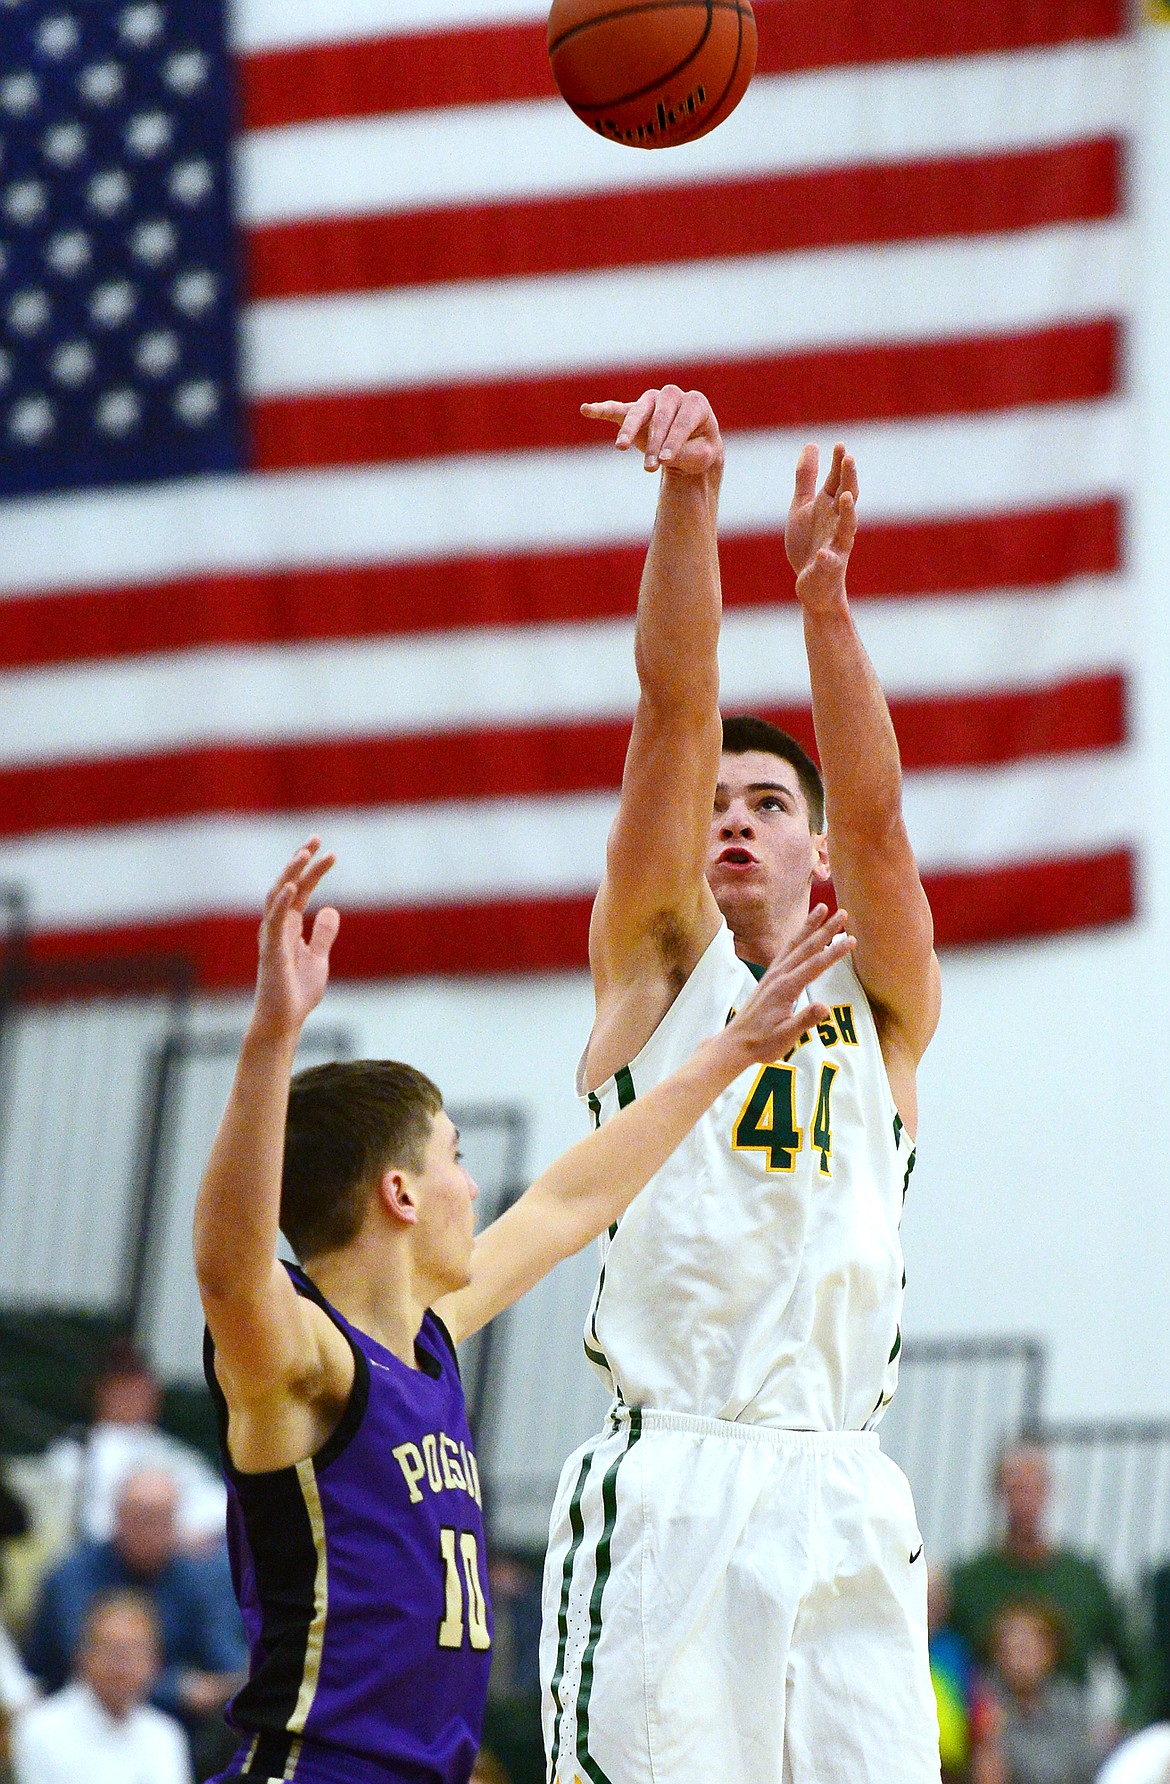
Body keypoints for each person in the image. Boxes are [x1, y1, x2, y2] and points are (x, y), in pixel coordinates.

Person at [193, 839, 856, 1784]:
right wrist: (270, 1042)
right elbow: (226, 1271)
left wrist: (733, 1050)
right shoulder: (307, 1367)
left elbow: (570, 1204)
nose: (474, 1184)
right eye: (452, 1157)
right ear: (401, 1195)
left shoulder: (426, 1339)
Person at [539, 386, 943, 1784]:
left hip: (841, 1483)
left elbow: (880, 818)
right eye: (720, 805)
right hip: (678, 1475)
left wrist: (824, 607)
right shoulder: (656, 967)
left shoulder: (877, 1003)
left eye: (768, 805)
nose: (732, 818)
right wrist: (689, 500)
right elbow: (670, 710)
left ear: (810, 856)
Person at [23, 1465, 245, 1758]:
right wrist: (179, 1689)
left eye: (163, 1519)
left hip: (174, 1730)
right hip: (75, 1720)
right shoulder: (73, 1577)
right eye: (143, 1517)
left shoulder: (191, 1575)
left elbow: (223, 1652)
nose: (153, 1530)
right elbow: (88, 1664)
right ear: (118, 1516)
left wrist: (238, 1679)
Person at [949, 1442, 1136, 1702]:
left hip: (1067, 1728)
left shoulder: (1084, 1580)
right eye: (1015, 1488)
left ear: (1050, 1492)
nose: (1025, 1500)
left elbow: (1135, 1660)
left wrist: (1125, 1722)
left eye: (1034, 1488)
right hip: (987, 1727)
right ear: (998, 1494)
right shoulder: (968, 1581)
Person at [39, 1339, 227, 1550]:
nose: (134, 1399)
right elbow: (93, 1525)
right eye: (124, 1390)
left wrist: (178, 1535)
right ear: (101, 1393)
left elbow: (221, 1506)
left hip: (182, 1558)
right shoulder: (75, 1453)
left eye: (140, 1390)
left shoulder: (168, 1449)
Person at [12, 1588, 192, 1784]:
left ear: (155, 1662)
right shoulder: (39, 1730)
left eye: (135, 1651)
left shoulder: (166, 1735)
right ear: (82, 1655)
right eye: (111, 1649)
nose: (122, 1665)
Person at [980, 1601, 1097, 1784]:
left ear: (1050, 1652)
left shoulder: (1070, 1704)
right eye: (1011, 1649)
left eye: (1027, 1650)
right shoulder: (980, 1700)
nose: (1018, 1661)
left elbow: (1083, 1768)